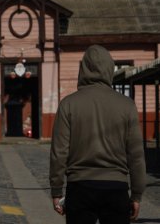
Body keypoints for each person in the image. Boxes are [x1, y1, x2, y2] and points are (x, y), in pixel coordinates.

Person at [49, 45, 146, 224]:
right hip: (116, 188)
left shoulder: (68, 104)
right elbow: (136, 155)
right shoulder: (127, 105)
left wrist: (56, 191)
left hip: (79, 188)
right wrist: (137, 195)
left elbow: (59, 152)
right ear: (110, 68)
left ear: (83, 69)